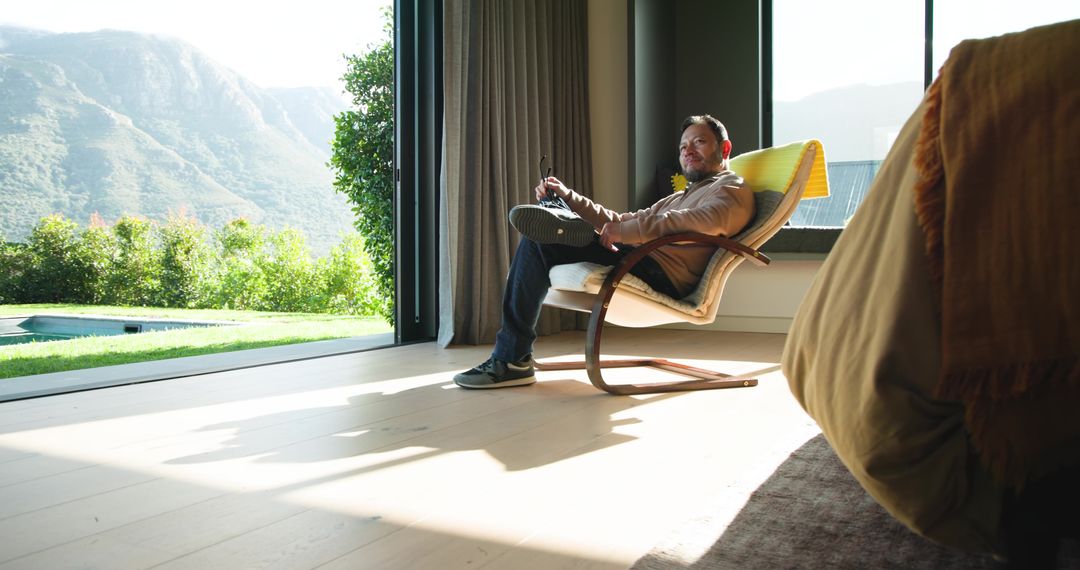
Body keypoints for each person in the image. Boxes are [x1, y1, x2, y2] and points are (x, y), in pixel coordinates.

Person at [454, 114, 756, 389]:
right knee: (540, 238)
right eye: (682, 146)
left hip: (660, 270)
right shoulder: (680, 197)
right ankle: (563, 217)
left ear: (724, 148)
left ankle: (512, 359)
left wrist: (627, 231)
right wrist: (570, 197)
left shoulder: (732, 190)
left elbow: (695, 222)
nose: (688, 151)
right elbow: (622, 220)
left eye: (699, 142)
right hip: (639, 256)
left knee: (544, 240)